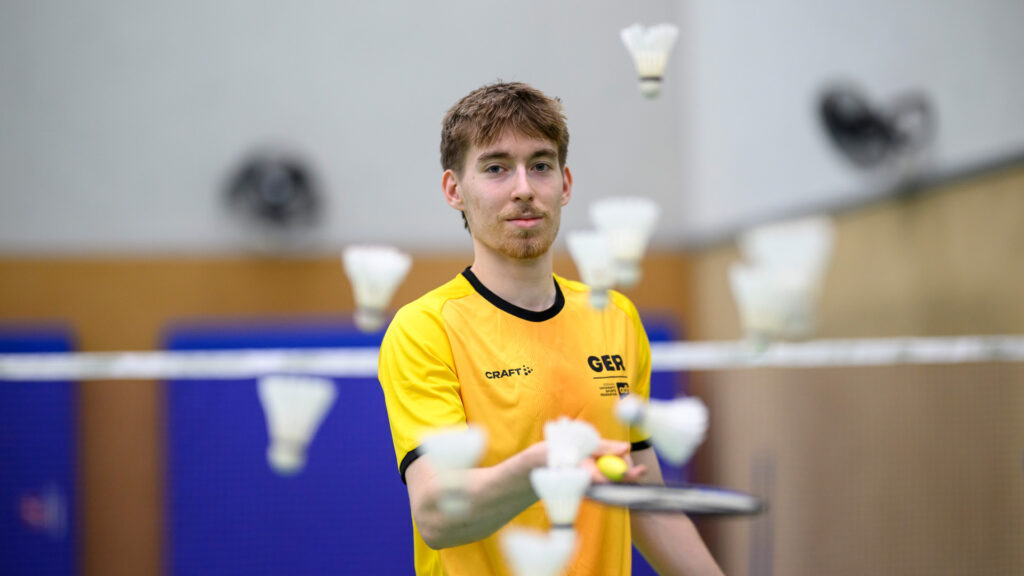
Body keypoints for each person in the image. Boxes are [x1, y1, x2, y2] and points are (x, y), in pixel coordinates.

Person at [378, 81, 722, 575]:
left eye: (540, 165)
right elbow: (438, 515)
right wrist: (543, 465)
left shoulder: (616, 317)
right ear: (455, 190)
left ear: (564, 184)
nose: (523, 188)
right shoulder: (424, 329)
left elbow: (645, 500)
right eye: (496, 168)